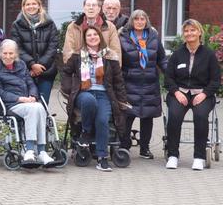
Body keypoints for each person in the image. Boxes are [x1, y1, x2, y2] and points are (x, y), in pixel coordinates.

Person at [61, 26, 128, 172]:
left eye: (95, 34)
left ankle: (102, 157)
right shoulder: (78, 55)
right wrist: (68, 90)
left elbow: (118, 81)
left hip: (104, 94)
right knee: (89, 101)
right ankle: (85, 132)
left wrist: (122, 101)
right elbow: (65, 73)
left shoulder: (110, 56)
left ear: (100, 37)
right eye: (89, 35)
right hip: (84, 92)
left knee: (102, 120)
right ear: (85, 39)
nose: (92, 37)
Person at [163, 19, 221, 171]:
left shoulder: (209, 55)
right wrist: (176, 92)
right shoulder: (177, 54)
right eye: (187, 31)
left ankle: (199, 157)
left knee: (201, 116)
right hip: (179, 93)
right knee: (174, 115)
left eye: (193, 30)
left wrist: (204, 94)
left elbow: (215, 81)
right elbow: (168, 78)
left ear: (199, 32)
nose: (189, 33)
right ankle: (173, 155)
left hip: (202, 94)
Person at [0, 40, 54, 165]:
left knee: (40, 107)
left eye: (11, 53)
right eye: (5, 53)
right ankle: (30, 150)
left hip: (27, 102)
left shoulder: (21, 64)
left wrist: (33, 95)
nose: (8, 56)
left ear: (16, 54)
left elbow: (30, 83)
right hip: (10, 104)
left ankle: (42, 152)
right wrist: (19, 99)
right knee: (34, 109)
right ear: (0, 53)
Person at [118, 10, 167, 159]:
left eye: (143, 19)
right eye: (137, 19)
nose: (140, 21)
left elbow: (162, 59)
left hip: (150, 83)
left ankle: (144, 148)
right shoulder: (122, 38)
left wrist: (171, 75)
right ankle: (124, 146)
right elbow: (118, 62)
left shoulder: (153, 37)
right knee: (127, 116)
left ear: (147, 21)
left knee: (147, 117)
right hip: (129, 83)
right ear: (131, 21)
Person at [10, 0, 59, 104]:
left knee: (43, 105)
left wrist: (40, 66)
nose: (31, 6)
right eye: (28, 4)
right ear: (23, 7)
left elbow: (53, 46)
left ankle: (43, 122)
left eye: (34, 3)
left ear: (39, 5)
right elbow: (17, 48)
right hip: (25, 72)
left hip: (46, 71)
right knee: (28, 105)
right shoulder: (17, 25)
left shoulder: (49, 23)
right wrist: (32, 64)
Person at [62, 0, 121, 66]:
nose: (91, 7)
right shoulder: (73, 27)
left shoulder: (110, 27)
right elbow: (68, 52)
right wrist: (73, 70)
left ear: (99, 9)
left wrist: (112, 72)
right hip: (79, 70)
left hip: (104, 71)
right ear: (84, 8)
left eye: (94, 5)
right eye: (88, 5)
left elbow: (116, 53)